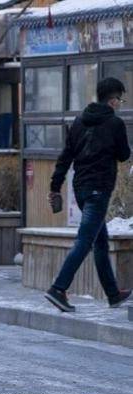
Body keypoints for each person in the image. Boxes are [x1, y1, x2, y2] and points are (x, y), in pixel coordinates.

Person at [45, 77, 131, 312]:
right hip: (99, 189)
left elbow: (65, 157)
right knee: (85, 240)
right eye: (120, 100)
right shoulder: (114, 124)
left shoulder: (79, 121)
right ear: (112, 100)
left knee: (100, 241)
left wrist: (55, 186)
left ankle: (113, 294)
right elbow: (124, 155)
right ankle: (58, 288)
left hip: (81, 189)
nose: (120, 104)